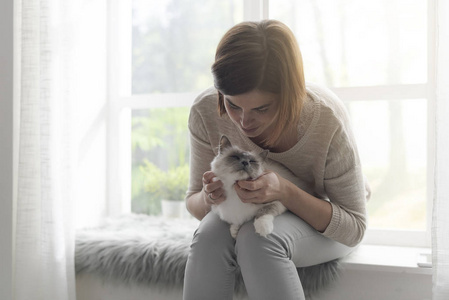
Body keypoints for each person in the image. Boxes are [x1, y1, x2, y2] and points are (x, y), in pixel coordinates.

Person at [182, 20, 369, 300]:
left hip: (323, 220)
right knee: (209, 235)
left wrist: (284, 191)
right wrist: (211, 198)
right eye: (232, 104)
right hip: (248, 215)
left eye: (262, 108)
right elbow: (194, 202)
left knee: (259, 239)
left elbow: (353, 227)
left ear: (290, 95)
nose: (244, 121)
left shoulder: (326, 120)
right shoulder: (205, 110)